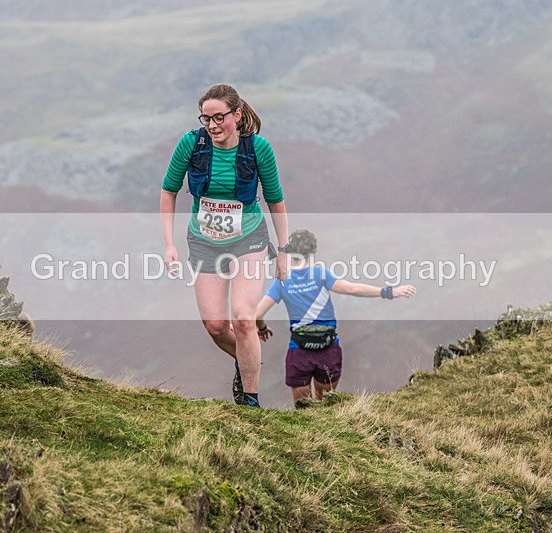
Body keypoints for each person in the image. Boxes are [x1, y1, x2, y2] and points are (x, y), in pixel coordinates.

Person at [160, 83, 289, 408]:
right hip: (205, 243)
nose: (213, 125)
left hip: (249, 239)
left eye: (220, 117)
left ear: (237, 114)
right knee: (217, 326)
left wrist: (283, 251)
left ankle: (250, 401)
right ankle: (245, 357)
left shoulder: (258, 149)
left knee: (243, 319)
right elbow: (168, 191)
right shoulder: (191, 145)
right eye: (206, 119)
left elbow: (276, 201)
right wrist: (169, 244)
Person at [255, 229, 416, 409]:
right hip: (328, 349)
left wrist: (261, 328)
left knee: (304, 411)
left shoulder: (282, 281)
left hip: (299, 351)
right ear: (313, 251)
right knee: (327, 408)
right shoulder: (322, 274)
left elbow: (257, 314)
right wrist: (389, 292)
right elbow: (351, 289)